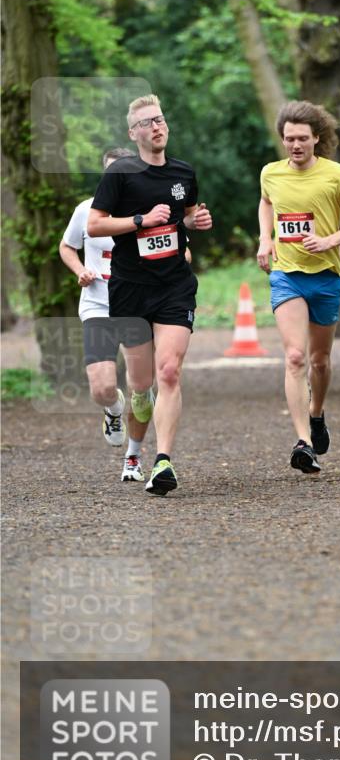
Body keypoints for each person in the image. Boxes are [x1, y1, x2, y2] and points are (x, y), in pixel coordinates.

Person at [88, 95, 212, 495]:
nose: (156, 126)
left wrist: (198, 219)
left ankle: (163, 462)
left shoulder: (183, 171)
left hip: (175, 285)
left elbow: (188, 213)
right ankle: (135, 444)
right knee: (141, 385)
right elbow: (94, 225)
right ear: (133, 133)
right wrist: (141, 220)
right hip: (130, 289)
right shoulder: (120, 174)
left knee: (170, 371)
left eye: (160, 120)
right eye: (147, 122)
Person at [257, 100, 340, 473]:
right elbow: (265, 202)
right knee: (294, 356)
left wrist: (329, 240)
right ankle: (303, 441)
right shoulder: (271, 173)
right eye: (289, 138)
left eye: (302, 139)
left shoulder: (337, 175)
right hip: (287, 275)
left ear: (316, 138)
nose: (295, 145)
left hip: (325, 276)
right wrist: (265, 238)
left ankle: (317, 413)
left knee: (319, 361)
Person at [59, 148, 152, 482]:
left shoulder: (148, 211)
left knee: (142, 390)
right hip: (98, 305)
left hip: (138, 307)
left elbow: (174, 249)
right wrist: (80, 269)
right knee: (101, 389)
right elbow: (66, 246)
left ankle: (133, 457)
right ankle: (113, 410)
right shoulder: (86, 210)